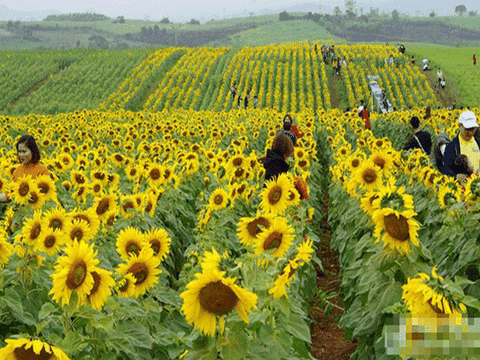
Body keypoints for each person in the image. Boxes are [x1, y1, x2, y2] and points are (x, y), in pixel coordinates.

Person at [0, 135, 50, 202]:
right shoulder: (17, 170)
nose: (21, 155)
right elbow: (9, 194)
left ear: (32, 151)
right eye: (19, 151)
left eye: (24, 151)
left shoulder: (42, 170)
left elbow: (47, 197)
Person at [442, 111, 480, 182]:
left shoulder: (478, 142)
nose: (470, 133)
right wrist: (456, 176)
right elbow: (445, 169)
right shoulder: (452, 146)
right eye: (467, 129)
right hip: (463, 189)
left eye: (472, 129)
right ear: (459, 126)